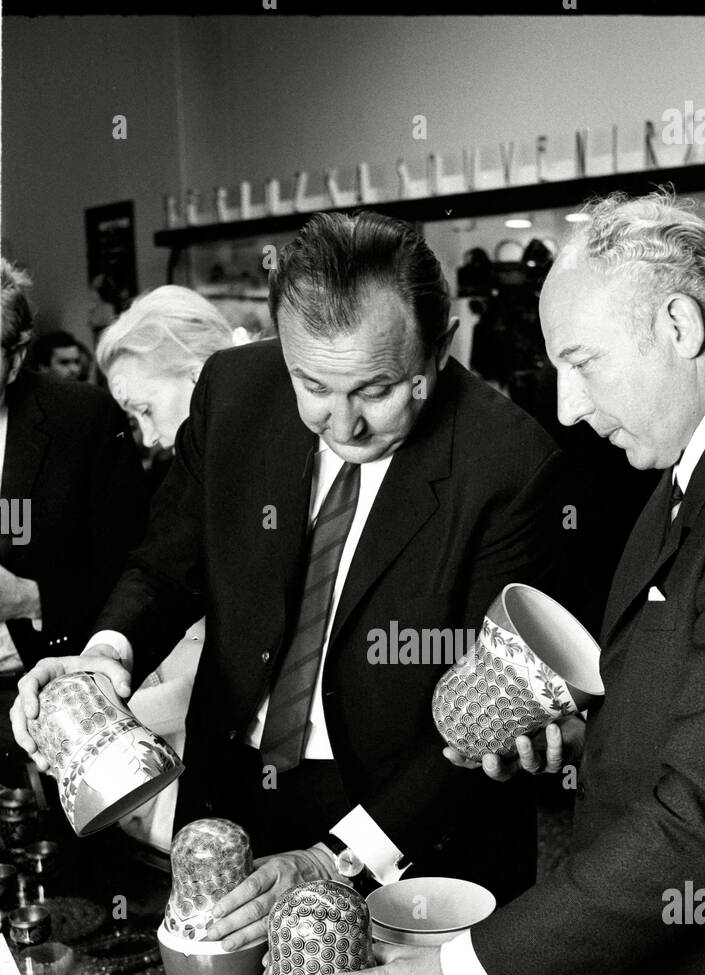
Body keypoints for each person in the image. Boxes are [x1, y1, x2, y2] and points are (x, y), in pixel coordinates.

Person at [241, 188, 705, 975]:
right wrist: (581, 739)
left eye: (584, 362)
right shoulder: (697, 469)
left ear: (678, 325)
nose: (566, 405)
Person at [12, 211, 569, 912]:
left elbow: (482, 719)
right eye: (314, 387)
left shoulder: (510, 463)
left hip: (405, 821)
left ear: (440, 346)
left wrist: (335, 859)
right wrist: (106, 655)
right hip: (232, 784)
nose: (343, 425)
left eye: (376, 389)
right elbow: (165, 564)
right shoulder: (234, 391)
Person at [92, 285, 236, 851]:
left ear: (201, 376)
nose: (149, 437)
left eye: (146, 410)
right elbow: (159, 572)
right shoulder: (190, 477)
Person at [0, 259, 147, 748]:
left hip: (53, 694)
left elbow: (140, 567)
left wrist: (30, 596)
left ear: (16, 356)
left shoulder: (83, 420)